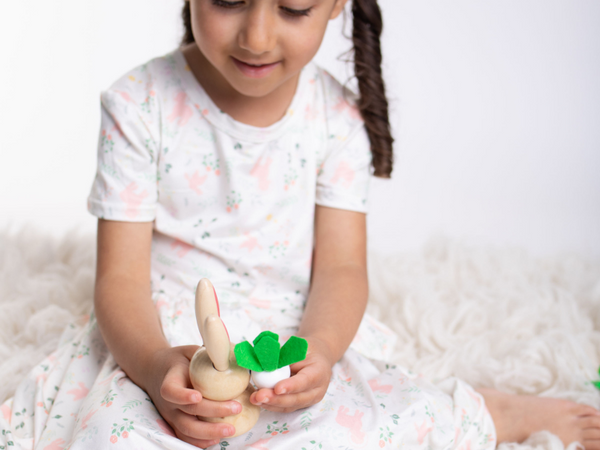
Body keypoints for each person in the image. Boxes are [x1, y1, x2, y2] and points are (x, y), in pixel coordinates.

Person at [2, 0, 600, 448]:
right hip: (167, 331)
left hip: (290, 328)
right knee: (113, 430)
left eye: (292, 7)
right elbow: (120, 281)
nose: (257, 35)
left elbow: (341, 268)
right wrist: (158, 368)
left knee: (349, 426)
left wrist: (321, 350)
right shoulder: (139, 103)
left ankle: (481, 414)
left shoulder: (335, 118)